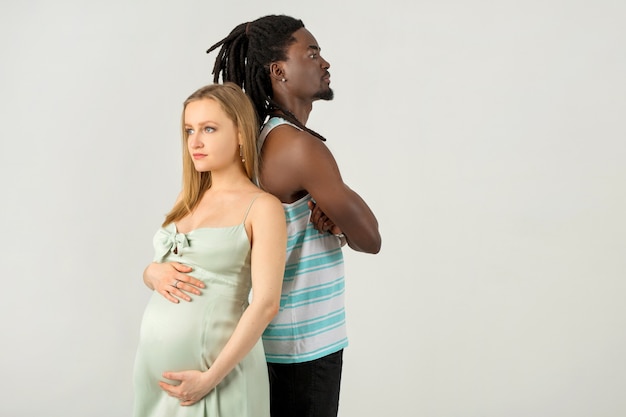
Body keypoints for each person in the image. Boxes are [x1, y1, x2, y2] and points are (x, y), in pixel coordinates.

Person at [205, 15, 382, 417]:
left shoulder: (262, 136)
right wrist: (342, 223)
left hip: (268, 342)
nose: (325, 63)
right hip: (305, 344)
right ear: (279, 70)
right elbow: (371, 239)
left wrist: (336, 220)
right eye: (312, 52)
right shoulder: (299, 149)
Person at [133, 82, 287, 417]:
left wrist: (209, 379)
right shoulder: (188, 198)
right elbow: (163, 269)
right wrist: (151, 272)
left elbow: (265, 305)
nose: (195, 142)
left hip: (219, 377)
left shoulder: (262, 208)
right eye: (189, 130)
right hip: (156, 380)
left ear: (241, 134)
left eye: (209, 129)